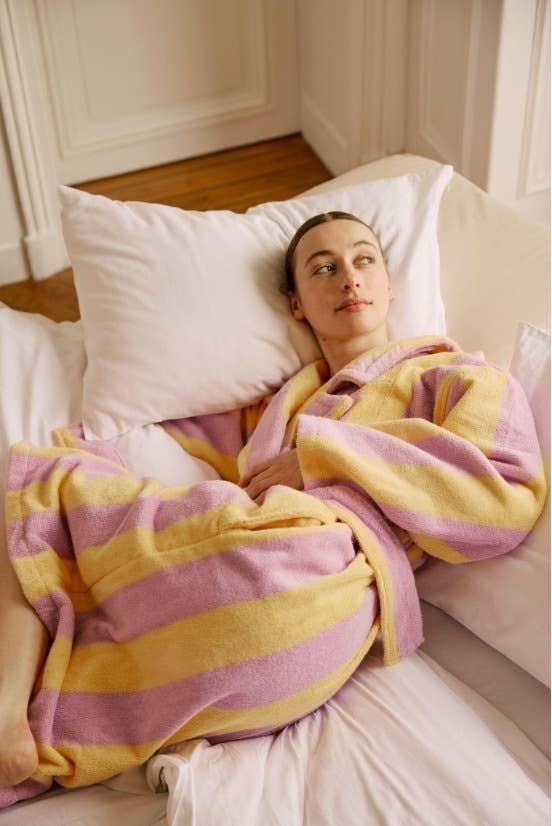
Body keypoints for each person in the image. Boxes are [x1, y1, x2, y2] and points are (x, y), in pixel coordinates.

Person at [0, 212, 546, 805]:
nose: (349, 279)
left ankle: (29, 720)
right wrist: (92, 445)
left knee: (48, 492)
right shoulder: (281, 405)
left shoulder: (458, 376)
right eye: (323, 268)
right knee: (48, 490)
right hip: (258, 582)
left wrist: (323, 457)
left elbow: (503, 496)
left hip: (327, 583)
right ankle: (16, 718)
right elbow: (167, 424)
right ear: (297, 306)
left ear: (391, 286)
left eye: (365, 260)